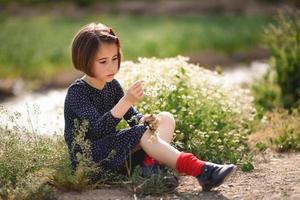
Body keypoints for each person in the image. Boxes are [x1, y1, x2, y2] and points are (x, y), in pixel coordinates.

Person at [64, 22, 236, 192]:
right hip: (89, 160)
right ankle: (200, 170)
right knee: (140, 132)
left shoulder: (112, 85)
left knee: (165, 118)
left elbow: (132, 117)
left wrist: (144, 120)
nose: (112, 66)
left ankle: (150, 169)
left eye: (115, 58)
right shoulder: (78, 92)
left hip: (115, 154)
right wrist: (126, 101)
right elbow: (96, 131)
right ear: (85, 61)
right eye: (103, 61)